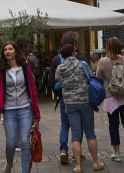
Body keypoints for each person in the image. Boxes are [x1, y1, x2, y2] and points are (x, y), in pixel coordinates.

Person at [56, 44, 105, 173]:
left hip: (70, 103)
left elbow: (59, 82)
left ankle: (78, 165)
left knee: (75, 134)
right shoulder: (82, 64)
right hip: (85, 102)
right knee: (90, 132)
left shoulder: (60, 68)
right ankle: (95, 162)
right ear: (73, 52)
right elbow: (90, 77)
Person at [0, 41, 40, 173]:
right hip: (9, 111)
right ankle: (9, 163)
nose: (7, 51)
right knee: (11, 143)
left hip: (25, 108)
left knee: (25, 142)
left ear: (15, 51)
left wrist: (36, 113)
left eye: (10, 49)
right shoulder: (1, 71)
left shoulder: (25, 68)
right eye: (5, 50)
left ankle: (25, 171)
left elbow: (32, 89)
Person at [95, 37, 124, 163]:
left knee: (113, 125)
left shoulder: (102, 61)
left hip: (111, 97)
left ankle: (117, 153)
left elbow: (98, 78)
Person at [48, 31, 86, 164]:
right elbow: (87, 79)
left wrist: (59, 93)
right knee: (78, 126)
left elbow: (51, 81)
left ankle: (63, 149)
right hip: (80, 98)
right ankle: (78, 152)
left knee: (64, 125)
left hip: (64, 97)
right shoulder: (81, 58)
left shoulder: (56, 59)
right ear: (75, 43)